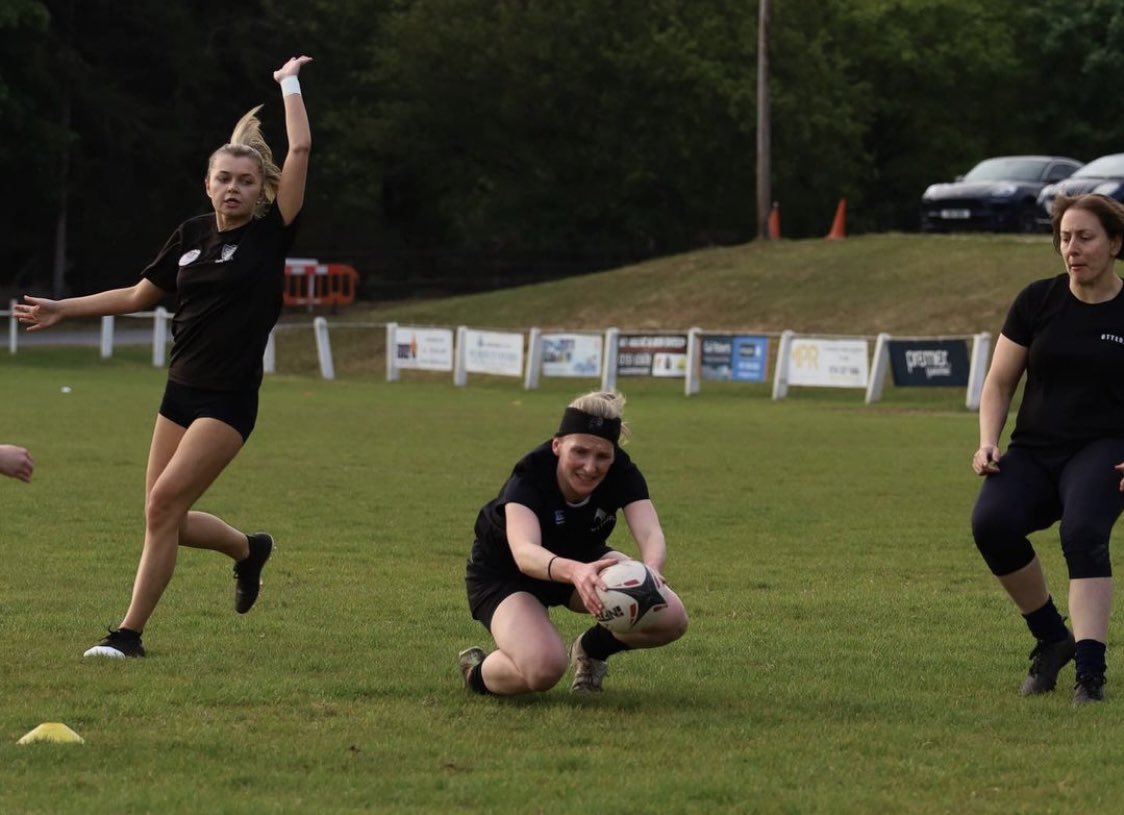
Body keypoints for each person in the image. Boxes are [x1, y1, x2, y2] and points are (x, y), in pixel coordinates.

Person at [14, 56, 313, 658]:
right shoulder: (190, 235)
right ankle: (247, 549)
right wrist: (62, 309)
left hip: (228, 401)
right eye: (224, 178)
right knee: (164, 517)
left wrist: (289, 84)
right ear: (208, 184)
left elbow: (301, 149)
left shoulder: (270, 233)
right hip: (179, 391)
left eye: (246, 181)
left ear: (263, 191)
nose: (234, 187)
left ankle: (127, 636)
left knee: (162, 505)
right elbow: (136, 295)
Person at [971, 193, 1124, 705]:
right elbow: (997, 384)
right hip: (1034, 449)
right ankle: (1051, 639)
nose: (1072, 248)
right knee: (990, 523)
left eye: (1085, 237)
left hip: (1103, 450)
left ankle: (1090, 674)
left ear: (1115, 243)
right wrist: (988, 442)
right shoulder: (1037, 301)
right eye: (1064, 238)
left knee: (1083, 533)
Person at [459, 390, 688, 696]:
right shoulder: (529, 476)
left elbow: (650, 532)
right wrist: (576, 572)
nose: (590, 466)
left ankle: (591, 650)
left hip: (583, 560)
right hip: (507, 574)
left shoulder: (622, 471)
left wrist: (652, 571)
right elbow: (525, 552)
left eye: (602, 456)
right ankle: (476, 671)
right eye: (579, 452)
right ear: (557, 445)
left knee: (669, 617)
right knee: (544, 669)